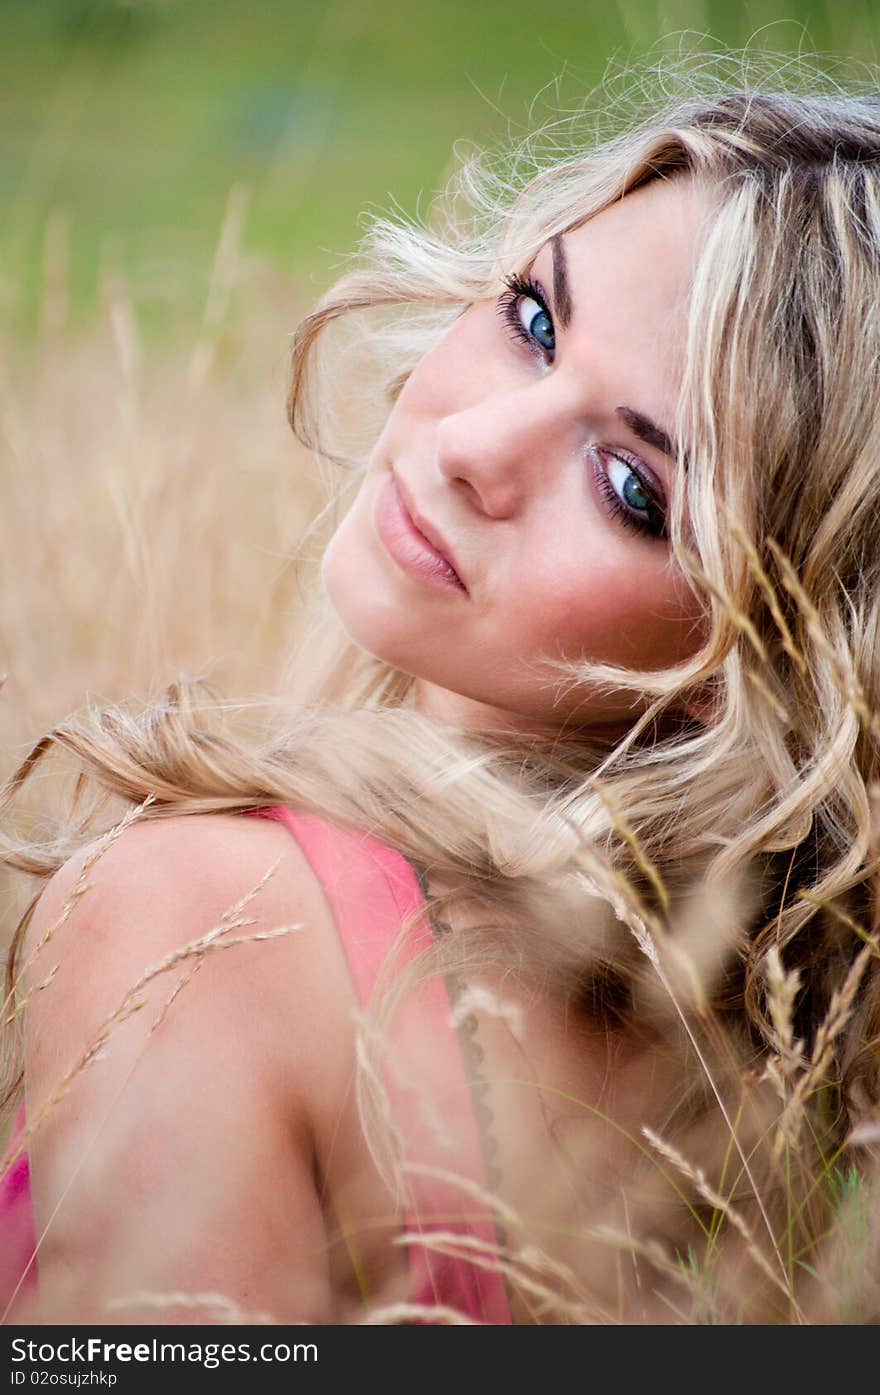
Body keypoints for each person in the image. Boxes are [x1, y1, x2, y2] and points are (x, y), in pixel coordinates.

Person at [2, 61, 880, 1326]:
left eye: (632, 489)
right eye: (534, 321)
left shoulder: (206, 926)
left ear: (759, 662)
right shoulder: (808, 1075)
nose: (470, 452)